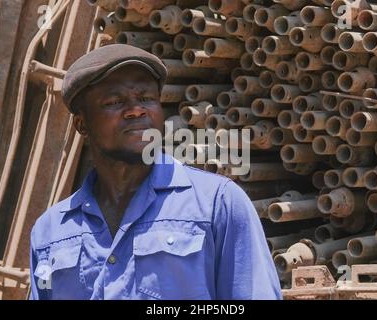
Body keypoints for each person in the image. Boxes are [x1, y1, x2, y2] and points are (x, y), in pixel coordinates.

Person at [29, 44, 282, 300]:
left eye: (147, 99)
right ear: (81, 124)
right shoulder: (50, 232)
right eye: (115, 101)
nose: (136, 110)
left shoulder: (217, 204)